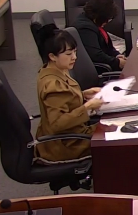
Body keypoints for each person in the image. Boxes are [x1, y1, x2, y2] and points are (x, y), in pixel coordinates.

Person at [35, 29, 104, 163]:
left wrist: (82, 95)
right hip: (68, 144)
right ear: (52, 56)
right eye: (68, 54)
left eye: (75, 52)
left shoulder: (52, 70)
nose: (74, 57)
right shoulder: (53, 85)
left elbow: (62, 101)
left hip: (72, 135)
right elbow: (57, 124)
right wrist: (88, 108)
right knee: (119, 135)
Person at [73, 0, 126, 71]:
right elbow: (95, 55)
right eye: (108, 19)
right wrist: (117, 62)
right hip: (99, 69)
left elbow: (108, 48)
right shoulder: (85, 29)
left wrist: (117, 55)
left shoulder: (92, 22)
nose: (107, 22)